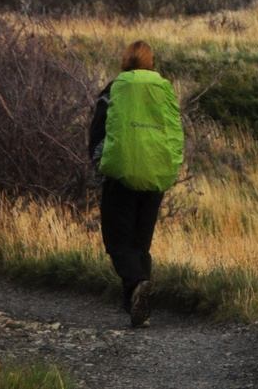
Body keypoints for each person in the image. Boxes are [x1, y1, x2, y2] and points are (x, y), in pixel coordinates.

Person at [87, 40, 183, 328]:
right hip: (155, 175)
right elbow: (174, 130)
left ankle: (139, 283)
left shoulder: (114, 90)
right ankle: (136, 307)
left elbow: (98, 133)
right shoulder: (163, 89)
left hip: (121, 176)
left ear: (125, 60)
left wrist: (100, 165)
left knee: (117, 241)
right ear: (151, 62)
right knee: (140, 243)